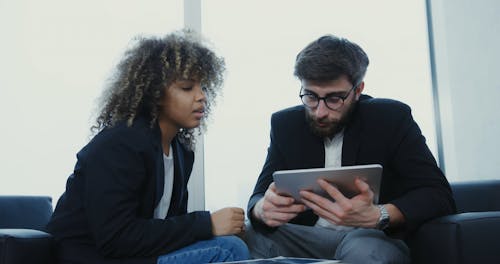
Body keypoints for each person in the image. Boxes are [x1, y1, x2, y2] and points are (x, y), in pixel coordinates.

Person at [245, 35, 456, 264]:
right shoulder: (285, 124)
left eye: (334, 98)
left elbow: (438, 195)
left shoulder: (391, 118)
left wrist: (379, 214)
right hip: (305, 238)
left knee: (366, 252)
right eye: (311, 96)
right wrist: (261, 210)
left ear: (358, 90)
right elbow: (258, 196)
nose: (320, 111)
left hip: (368, 236)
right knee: (243, 236)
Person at [46, 30, 249, 264]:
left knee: (238, 241)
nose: (201, 96)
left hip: (137, 255)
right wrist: (207, 224)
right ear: (156, 93)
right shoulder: (120, 144)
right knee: (228, 250)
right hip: (89, 256)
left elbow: (164, 231)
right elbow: (116, 237)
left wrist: (217, 228)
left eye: (203, 87)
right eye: (186, 88)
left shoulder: (181, 151)